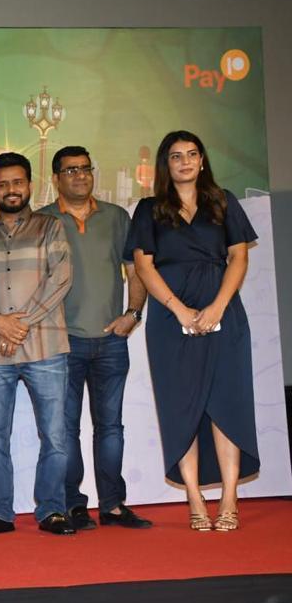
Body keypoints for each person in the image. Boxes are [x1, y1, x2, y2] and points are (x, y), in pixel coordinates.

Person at [125, 130, 259, 531]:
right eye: (176, 156)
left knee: (227, 403)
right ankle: (195, 498)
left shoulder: (223, 201)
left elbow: (238, 258)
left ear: (202, 161)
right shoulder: (149, 209)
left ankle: (230, 497)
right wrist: (180, 311)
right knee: (180, 404)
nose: (185, 161)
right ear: (165, 165)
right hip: (170, 320)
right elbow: (143, 266)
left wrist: (217, 306)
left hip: (225, 314)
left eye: (192, 154)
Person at [0, 152, 75, 536]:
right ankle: (0, 512)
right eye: (2, 184)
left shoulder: (50, 228)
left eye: (17, 182)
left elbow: (61, 279)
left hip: (46, 349)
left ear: (30, 185)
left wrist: (19, 326)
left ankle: (52, 509)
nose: (11, 190)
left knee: (56, 436)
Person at [38, 146, 152, 530]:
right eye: (71, 170)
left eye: (85, 168)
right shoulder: (42, 221)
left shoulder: (117, 217)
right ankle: (74, 505)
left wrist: (132, 314)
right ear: (56, 178)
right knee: (65, 430)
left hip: (111, 342)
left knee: (111, 428)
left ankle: (113, 505)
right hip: (62, 344)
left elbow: (135, 271)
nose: (80, 175)